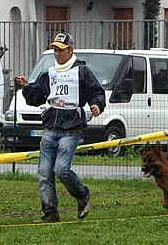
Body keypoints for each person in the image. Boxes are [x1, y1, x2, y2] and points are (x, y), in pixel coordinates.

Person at [15, 33, 106, 222]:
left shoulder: (82, 72)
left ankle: (82, 195)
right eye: (55, 49)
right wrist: (26, 87)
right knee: (44, 172)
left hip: (71, 129)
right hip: (50, 128)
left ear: (70, 51)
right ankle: (50, 213)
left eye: (60, 50)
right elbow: (36, 98)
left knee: (61, 170)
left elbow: (96, 92)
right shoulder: (48, 73)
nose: (56, 53)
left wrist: (97, 105)